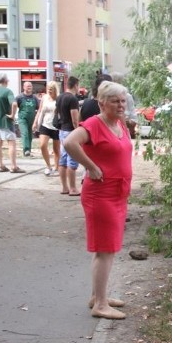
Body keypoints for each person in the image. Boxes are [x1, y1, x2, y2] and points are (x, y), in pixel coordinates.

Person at [62, 81, 133, 320]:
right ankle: (101, 305)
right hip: (100, 194)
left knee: (107, 248)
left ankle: (97, 296)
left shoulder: (119, 123)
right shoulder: (94, 123)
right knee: (105, 249)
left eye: (123, 100)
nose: (121, 105)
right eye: (115, 101)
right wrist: (90, 166)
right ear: (102, 102)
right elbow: (70, 142)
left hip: (117, 193)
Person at [0, 73, 24, 173]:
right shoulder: (7, 91)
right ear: (6, 80)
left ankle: (0, 165)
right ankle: (13, 166)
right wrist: (12, 115)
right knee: (11, 143)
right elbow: (14, 103)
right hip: (6, 122)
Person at [56, 76, 81, 195]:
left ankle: (64, 187)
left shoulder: (60, 97)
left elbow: (57, 113)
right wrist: (78, 131)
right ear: (75, 85)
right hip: (70, 131)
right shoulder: (73, 99)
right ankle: (73, 188)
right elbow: (75, 118)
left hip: (61, 130)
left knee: (63, 159)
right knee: (72, 159)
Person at [33, 81, 61, 176]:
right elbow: (40, 110)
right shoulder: (44, 98)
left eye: (51, 89)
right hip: (45, 124)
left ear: (55, 90)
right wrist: (35, 122)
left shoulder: (59, 99)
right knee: (42, 145)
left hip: (56, 126)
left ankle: (57, 167)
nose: (49, 91)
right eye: (48, 88)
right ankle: (48, 166)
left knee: (56, 149)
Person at [14, 81, 39, 157]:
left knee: (30, 135)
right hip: (22, 119)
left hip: (32, 119)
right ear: (23, 87)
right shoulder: (19, 97)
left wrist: (37, 121)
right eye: (27, 86)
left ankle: (29, 151)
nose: (29, 88)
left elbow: (38, 108)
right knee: (25, 133)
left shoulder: (34, 98)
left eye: (30, 86)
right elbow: (14, 105)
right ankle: (26, 149)